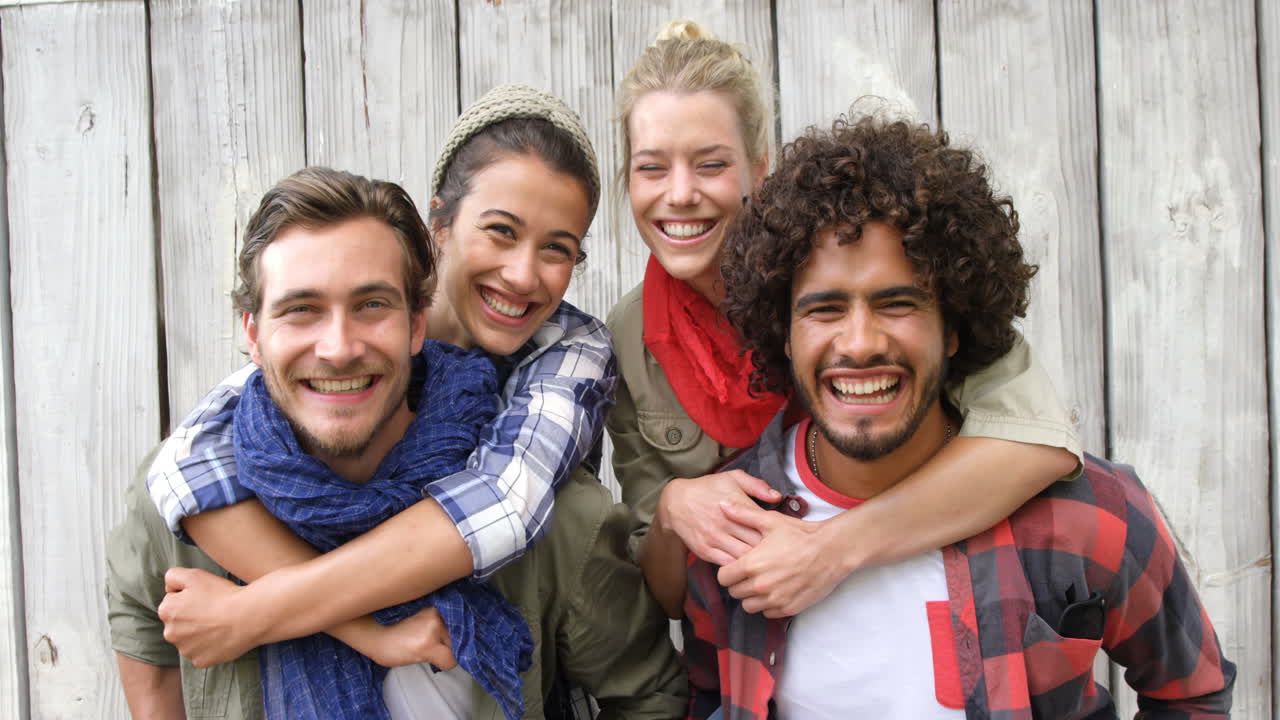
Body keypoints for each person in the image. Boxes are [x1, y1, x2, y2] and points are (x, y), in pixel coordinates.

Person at [109, 90, 685, 718]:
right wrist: (368, 631)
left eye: (556, 248)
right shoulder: (209, 485)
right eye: (500, 232)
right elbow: (177, 477)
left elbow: (504, 504)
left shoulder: (566, 380)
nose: (339, 348)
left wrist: (254, 611)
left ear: (412, 324)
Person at [681, 113, 1236, 719]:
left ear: (953, 330)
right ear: (783, 335)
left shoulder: (1091, 514)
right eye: (825, 309)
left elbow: (1194, 693)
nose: (860, 342)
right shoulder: (734, 528)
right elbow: (711, 696)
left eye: (897, 304)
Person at [606, 19, 1081, 619]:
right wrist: (674, 506)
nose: (678, 194)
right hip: (762, 640)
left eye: (709, 165)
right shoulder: (626, 337)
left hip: (946, 595)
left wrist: (831, 550)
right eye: (652, 168)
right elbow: (666, 593)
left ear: (760, 164)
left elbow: (1038, 441)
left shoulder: (862, 263)